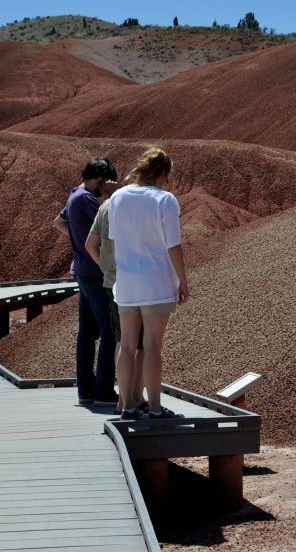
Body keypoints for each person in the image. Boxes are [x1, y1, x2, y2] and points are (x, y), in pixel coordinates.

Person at [108, 147, 189, 420]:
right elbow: (173, 245)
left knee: (128, 345)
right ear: (163, 173)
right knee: (153, 346)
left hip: (127, 282)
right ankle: (154, 407)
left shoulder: (117, 197)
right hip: (156, 281)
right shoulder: (165, 200)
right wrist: (182, 281)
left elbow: (114, 238)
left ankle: (127, 405)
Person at [52, 157, 119, 406]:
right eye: (105, 184)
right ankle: (103, 391)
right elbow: (112, 222)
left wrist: (79, 239)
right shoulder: (88, 200)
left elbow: (58, 222)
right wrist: (114, 196)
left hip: (82, 270)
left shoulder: (74, 195)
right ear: (101, 178)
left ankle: (86, 389)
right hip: (95, 273)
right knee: (111, 331)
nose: (104, 191)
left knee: (88, 333)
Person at [85, 199, 145, 416]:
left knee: (122, 339)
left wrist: (105, 266)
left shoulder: (105, 206)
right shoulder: (136, 204)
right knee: (141, 344)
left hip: (113, 281)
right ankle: (134, 398)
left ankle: (125, 398)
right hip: (137, 279)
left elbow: (90, 244)